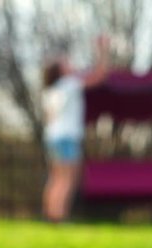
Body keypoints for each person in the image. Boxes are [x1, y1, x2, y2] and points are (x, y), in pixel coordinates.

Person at [41, 36, 111, 223]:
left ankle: (50, 214)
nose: (71, 65)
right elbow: (99, 76)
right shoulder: (69, 85)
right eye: (66, 64)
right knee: (67, 179)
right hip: (67, 138)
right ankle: (59, 217)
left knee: (56, 178)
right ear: (60, 71)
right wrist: (103, 50)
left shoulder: (50, 91)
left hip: (52, 137)